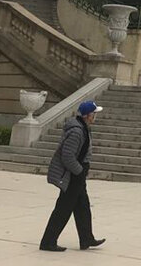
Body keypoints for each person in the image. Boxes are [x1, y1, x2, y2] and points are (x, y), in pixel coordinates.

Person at [39, 100, 106, 251]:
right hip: (73, 175)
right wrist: (79, 171)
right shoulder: (77, 131)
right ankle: (48, 242)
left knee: (83, 206)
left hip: (78, 174)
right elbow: (67, 156)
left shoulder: (84, 128)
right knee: (63, 209)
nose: (96, 116)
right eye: (94, 113)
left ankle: (86, 239)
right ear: (88, 115)